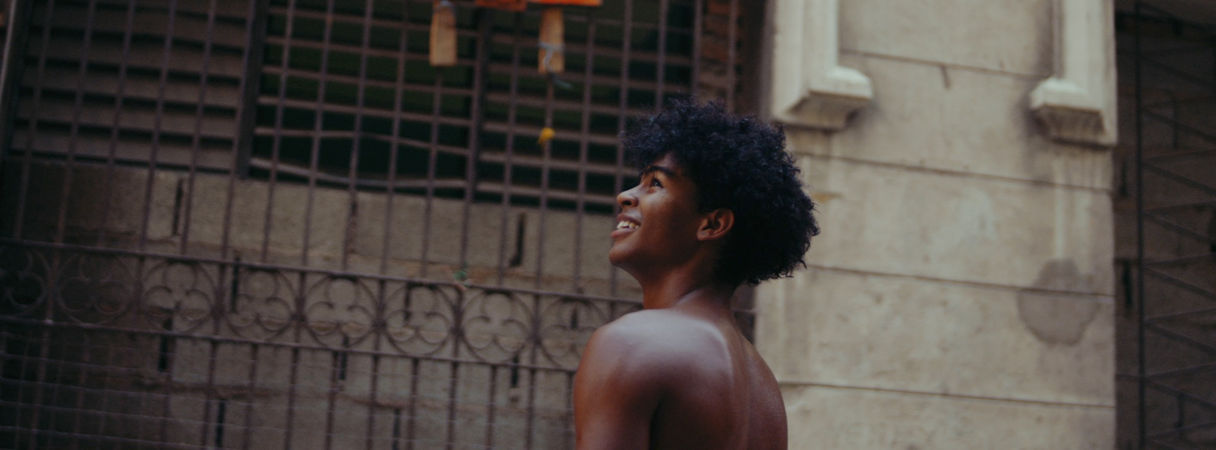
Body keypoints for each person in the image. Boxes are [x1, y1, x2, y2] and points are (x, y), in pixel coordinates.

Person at [573, 99, 819, 450]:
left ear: (713, 224)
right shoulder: (763, 388)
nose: (625, 196)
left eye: (655, 183)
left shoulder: (631, 345)